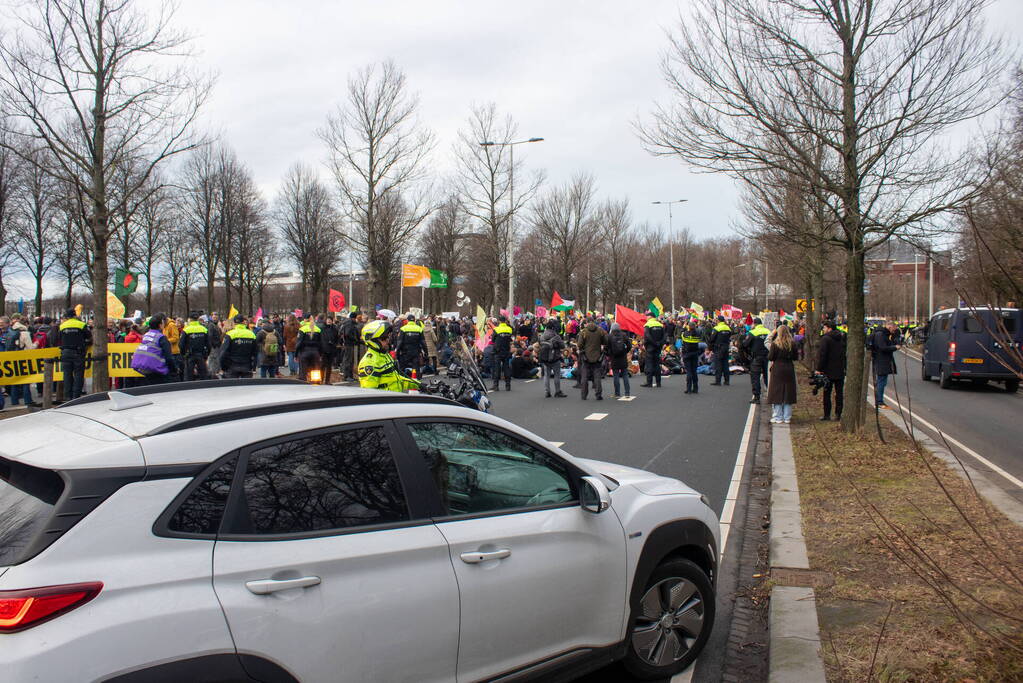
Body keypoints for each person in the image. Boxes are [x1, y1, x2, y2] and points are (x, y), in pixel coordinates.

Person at [358, 320, 420, 392]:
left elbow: (396, 380)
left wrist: (420, 385)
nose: (388, 341)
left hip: (394, 400)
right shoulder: (369, 363)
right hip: (387, 402)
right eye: (384, 339)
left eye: (387, 337)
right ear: (373, 341)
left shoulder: (385, 355)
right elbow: (369, 394)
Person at [130, 314, 175, 386]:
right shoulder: (161, 337)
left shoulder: (146, 335)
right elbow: (168, 357)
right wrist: (174, 369)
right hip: (157, 369)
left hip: (144, 368)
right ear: (160, 325)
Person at [815, 320, 846, 421]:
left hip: (828, 370)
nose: (823, 330)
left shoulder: (826, 339)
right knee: (839, 393)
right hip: (840, 369)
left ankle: (827, 414)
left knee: (827, 393)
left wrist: (819, 369)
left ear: (829, 328)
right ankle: (838, 414)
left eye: (824, 328)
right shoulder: (841, 337)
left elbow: (823, 355)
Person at [768, 324, 798, 424]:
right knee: (788, 392)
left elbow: (771, 357)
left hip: (778, 369)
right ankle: (787, 416)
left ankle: (778, 416)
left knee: (776, 392)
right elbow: (795, 357)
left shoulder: (775, 344)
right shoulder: (792, 343)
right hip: (789, 368)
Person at [58, 308, 91, 401]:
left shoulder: (62, 326)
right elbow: (89, 336)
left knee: (67, 374)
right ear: (75, 315)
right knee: (78, 374)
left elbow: (59, 338)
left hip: (65, 352)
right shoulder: (81, 324)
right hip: (78, 352)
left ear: (66, 316)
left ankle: (67, 396)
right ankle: (76, 396)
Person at [5, 315, 36, 406]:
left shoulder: (11, 331)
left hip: (13, 357)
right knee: (25, 379)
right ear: (25, 324)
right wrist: (36, 343)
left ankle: (14, 401)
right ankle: (28, 400)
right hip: (23, 358)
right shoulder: (25, 333)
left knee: (15, 380)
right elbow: (30, 348)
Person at [871, 320, 901, 410]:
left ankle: (880, 400)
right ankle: (879, 401)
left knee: (883, 381)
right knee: (881, 381)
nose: (894, 331)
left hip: (884, 361)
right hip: (881, 361)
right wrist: (894, 347)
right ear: (890, 326)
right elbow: (882, 348)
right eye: (894, 329)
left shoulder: (885, 335)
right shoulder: (880, 335)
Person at [577, 317, 608, 400]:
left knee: (584, 377)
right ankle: (598, 394)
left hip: (586, 357)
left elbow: (579, 345)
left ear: (586, 322)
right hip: (597, 357)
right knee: (597, 376)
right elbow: (605, 342)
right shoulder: (600, 331)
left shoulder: (583, 332)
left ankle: (584, 395)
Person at [535, 317, 567, 398]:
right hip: (555, 357)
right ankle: (557, 391)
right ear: (553, 327)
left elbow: (539, 345)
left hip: (545, 358)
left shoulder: (542, 336)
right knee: (556, 375)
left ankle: (547, 392)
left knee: (546, 375)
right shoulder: (556, 336)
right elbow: (563, 346)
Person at [743, 317, 771, 404]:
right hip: (767, 357)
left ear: (754, 324)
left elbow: (745, 344)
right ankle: (771, 396)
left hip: (756, 357)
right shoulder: (768, 331)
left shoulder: (752, 332)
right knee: (768, 377)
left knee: (755, 377)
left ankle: (757, 397)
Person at [180, 314, 211, 382]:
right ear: (198, 319)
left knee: (189, 376)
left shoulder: (186, 330)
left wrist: (183, 355)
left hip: (190, 355)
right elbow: (209, 344)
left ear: (190, 319)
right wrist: (206, 355)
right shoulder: (204, 329)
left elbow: (181, 345)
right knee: (203, 376)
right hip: (201, 355)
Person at [295, 314, 325, 382]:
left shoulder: (302, 329)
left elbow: (299, 343)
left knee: (303, 370)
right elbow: (321, 343)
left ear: (305, 320)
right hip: (315, 352)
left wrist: (296, 354)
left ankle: (303, 382)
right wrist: (320, 354)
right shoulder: (318, 329)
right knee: (315, 369)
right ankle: (316, 382)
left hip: (304, 352)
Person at [397, 314, 426, 379]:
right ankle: (417, 382)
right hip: (416, 352)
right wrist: (426, 352)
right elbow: (423, 342)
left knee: (402, 368)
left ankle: (403, 381)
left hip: (405, 352)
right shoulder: (419, 329)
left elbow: (400, 342)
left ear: (407, 320)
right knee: (416, 368)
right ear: (414, 320)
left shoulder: (403, 329)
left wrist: (397, 353)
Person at [641, 311, 665, 388]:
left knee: (649, 365)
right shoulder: (660, 325)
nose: (646, 318)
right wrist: (659, 343)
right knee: (657, 365)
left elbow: (647, 336)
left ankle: (649, 382)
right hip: (658, 347)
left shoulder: (647, 324)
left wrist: (653, 343)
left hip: (650, 347)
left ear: (650, 317)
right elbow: (664, 336)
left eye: (647, 316)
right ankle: (658, 383)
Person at [607, 322, 631, 398]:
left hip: (614, 358)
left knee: (616, 376)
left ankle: (617, 393)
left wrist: (610, 354)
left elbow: (607, 348)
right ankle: (627, 393)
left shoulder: (610, 336)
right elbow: (629, 345)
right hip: (623, 357)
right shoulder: (623, 335)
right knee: (625, 375)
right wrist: (625, 351)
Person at [491, 315, 514, 391]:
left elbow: (493, 340)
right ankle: (508, 385)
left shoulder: (496, 329)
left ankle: (496, 386)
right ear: (505, 321)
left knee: (497, 369)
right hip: (506, 350)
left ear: (499, 321)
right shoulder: (509, 329)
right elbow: (510, 339)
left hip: (498, 351)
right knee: (506, 368)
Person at [680, 321, 703, 395]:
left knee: (689, 371)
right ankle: (695, 388)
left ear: (688, 327)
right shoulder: (698, 334)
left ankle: (689, 389)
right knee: (694, 371)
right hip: (695, 353)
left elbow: (681, 334)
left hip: (687, 354)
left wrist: (684, 327)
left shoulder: (685, 334)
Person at [709, 316, 733, 386]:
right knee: (725, 364)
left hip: (718, 348)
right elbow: (729, 336)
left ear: (718, 321)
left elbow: (712, 339)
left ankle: (718, 381)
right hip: (726, 347)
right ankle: (727, 381)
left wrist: (711, 347)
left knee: (718, 365)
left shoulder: (716, 328)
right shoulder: (728, 328)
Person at [320, 315, 339, 385]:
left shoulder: (334, 328)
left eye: (330, 319)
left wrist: (334, 344)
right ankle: (321, 379)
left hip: (331, 349)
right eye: (328, 319)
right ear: (325, 320)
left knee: (329, 366)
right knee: (322, 366)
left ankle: (327, 381)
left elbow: (337, 338)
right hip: (323, 349)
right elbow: (320, 339)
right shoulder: (322, 328)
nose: (329, 321)